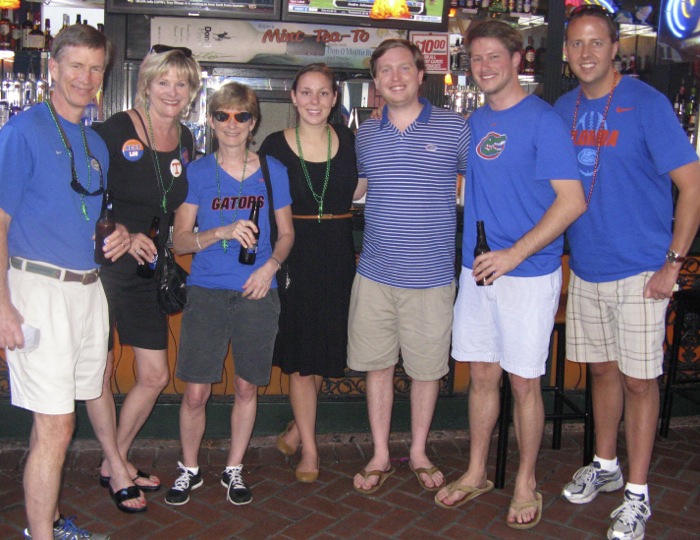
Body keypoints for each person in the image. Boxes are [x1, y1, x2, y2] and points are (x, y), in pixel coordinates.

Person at [554, 6, 700, 540]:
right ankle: (606, 464)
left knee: (641, 382)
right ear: (566, 52)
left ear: (615, 47)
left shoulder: (648, 104)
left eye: (596, 42)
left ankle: (637, 494)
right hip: (588, 268)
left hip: (643, 271)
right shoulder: (564, 108)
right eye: (576, 43)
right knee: (602, 373)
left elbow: (693, 185)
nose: (586, 52)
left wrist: (674, 263)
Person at [434, 20, 585, 530]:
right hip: (477, 271)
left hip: (527, 272)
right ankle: (477, 470)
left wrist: (515, 255)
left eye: (495, 57)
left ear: (517, 60)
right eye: (477, 59)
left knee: (524, 382)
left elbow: (572, 202)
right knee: (480, 376)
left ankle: (526, 481)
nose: (485, 67)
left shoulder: (544, 122)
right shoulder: (472, 123)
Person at [0, 24, 131, 540]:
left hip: (86, 289)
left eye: (95, 68)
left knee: (55, 421)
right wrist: (3, 305)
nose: (86, 77)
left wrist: (118, 233)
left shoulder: (94, 139)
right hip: (38, 291)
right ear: (53, 67)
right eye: (75, 65)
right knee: (57, 425)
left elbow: (90, 216)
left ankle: (47, 523)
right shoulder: (22, 131)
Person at [348, 39, 470, 495]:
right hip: (376, 272)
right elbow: (356, 188)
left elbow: (480, 181)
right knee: (377, 367)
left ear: (421, 75)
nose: (395, 77)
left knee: (425, 370)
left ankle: (418, 450)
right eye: (385, 71)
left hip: (433, 276)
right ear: (376, 82)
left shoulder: (455, 127)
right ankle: (380, 452)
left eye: (404, 68)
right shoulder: (366, 133)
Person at [164, 82, 294, 507]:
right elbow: (179, 241)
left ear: (253, 122)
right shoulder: (198, 172)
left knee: (245, 387)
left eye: (241, 116)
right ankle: (189, 469)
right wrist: (220, 231)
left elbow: (287, 235)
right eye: (222, 115)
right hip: (207, 291)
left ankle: (233, 468)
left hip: (258, 290)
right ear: (212, 121)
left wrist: (269, 267)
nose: (232, 124)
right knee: (196, 391)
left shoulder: (273, 169)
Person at [85, 44, 201, 513]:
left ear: (191, 91)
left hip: (150, 269)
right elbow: (84, 197)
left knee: (153, 375)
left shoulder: (188, 139)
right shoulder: (113, 130)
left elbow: (182, 206)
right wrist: (124, 232)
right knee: (103, 370)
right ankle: (116, 465)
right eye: (163, 81)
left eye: (181, 83)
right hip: (109, 264)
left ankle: (114, 461)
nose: (172, 91)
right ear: (146, 84)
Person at [258, 63, 364, 483]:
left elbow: (362, 188)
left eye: (323, 93)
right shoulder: (274, 146)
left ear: (334, 98)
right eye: (306, 92)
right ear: (293, 96)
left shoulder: (352, 140)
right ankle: (311, 449)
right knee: (302, 358)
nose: (314, 101)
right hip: (294, 253)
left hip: (339, 252)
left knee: (322, 351)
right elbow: (259, 203)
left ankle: (295, 429)